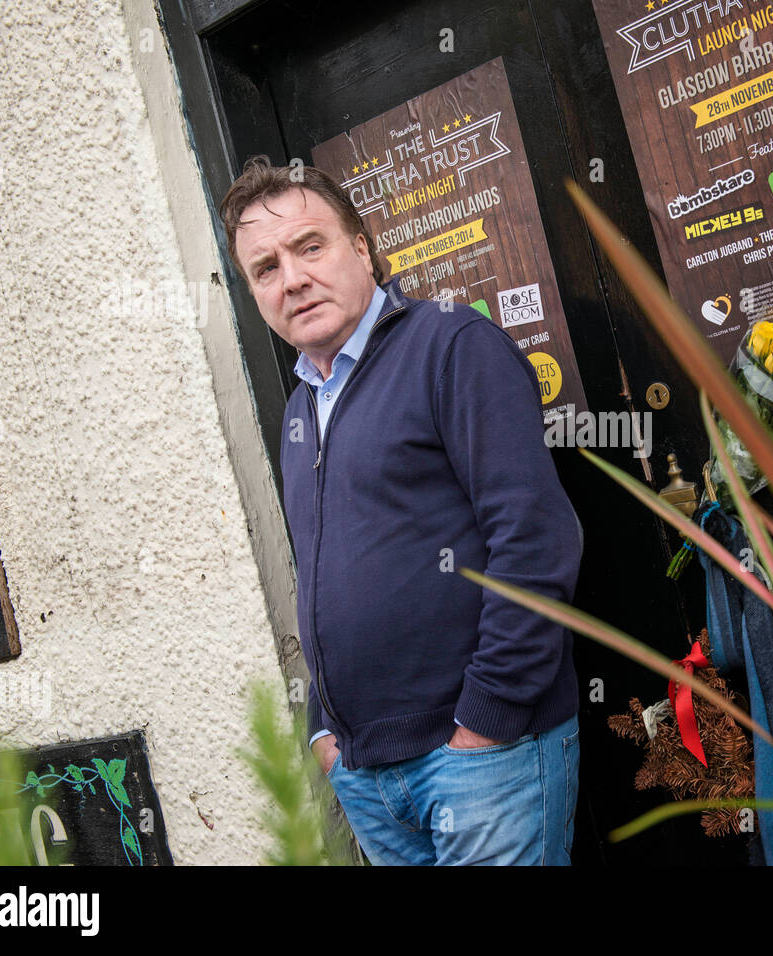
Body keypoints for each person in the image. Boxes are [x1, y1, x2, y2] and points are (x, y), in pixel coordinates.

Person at [220, 156, 583, 865]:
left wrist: (486, 721)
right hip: (366, 775)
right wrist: (326, 735)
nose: (291, 278)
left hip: (481, 759)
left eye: (310, 246)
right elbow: (325, 577)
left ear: (362, 247)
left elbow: (536, 540)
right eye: (265, 268)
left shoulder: (450, 347)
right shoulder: (301, 408)